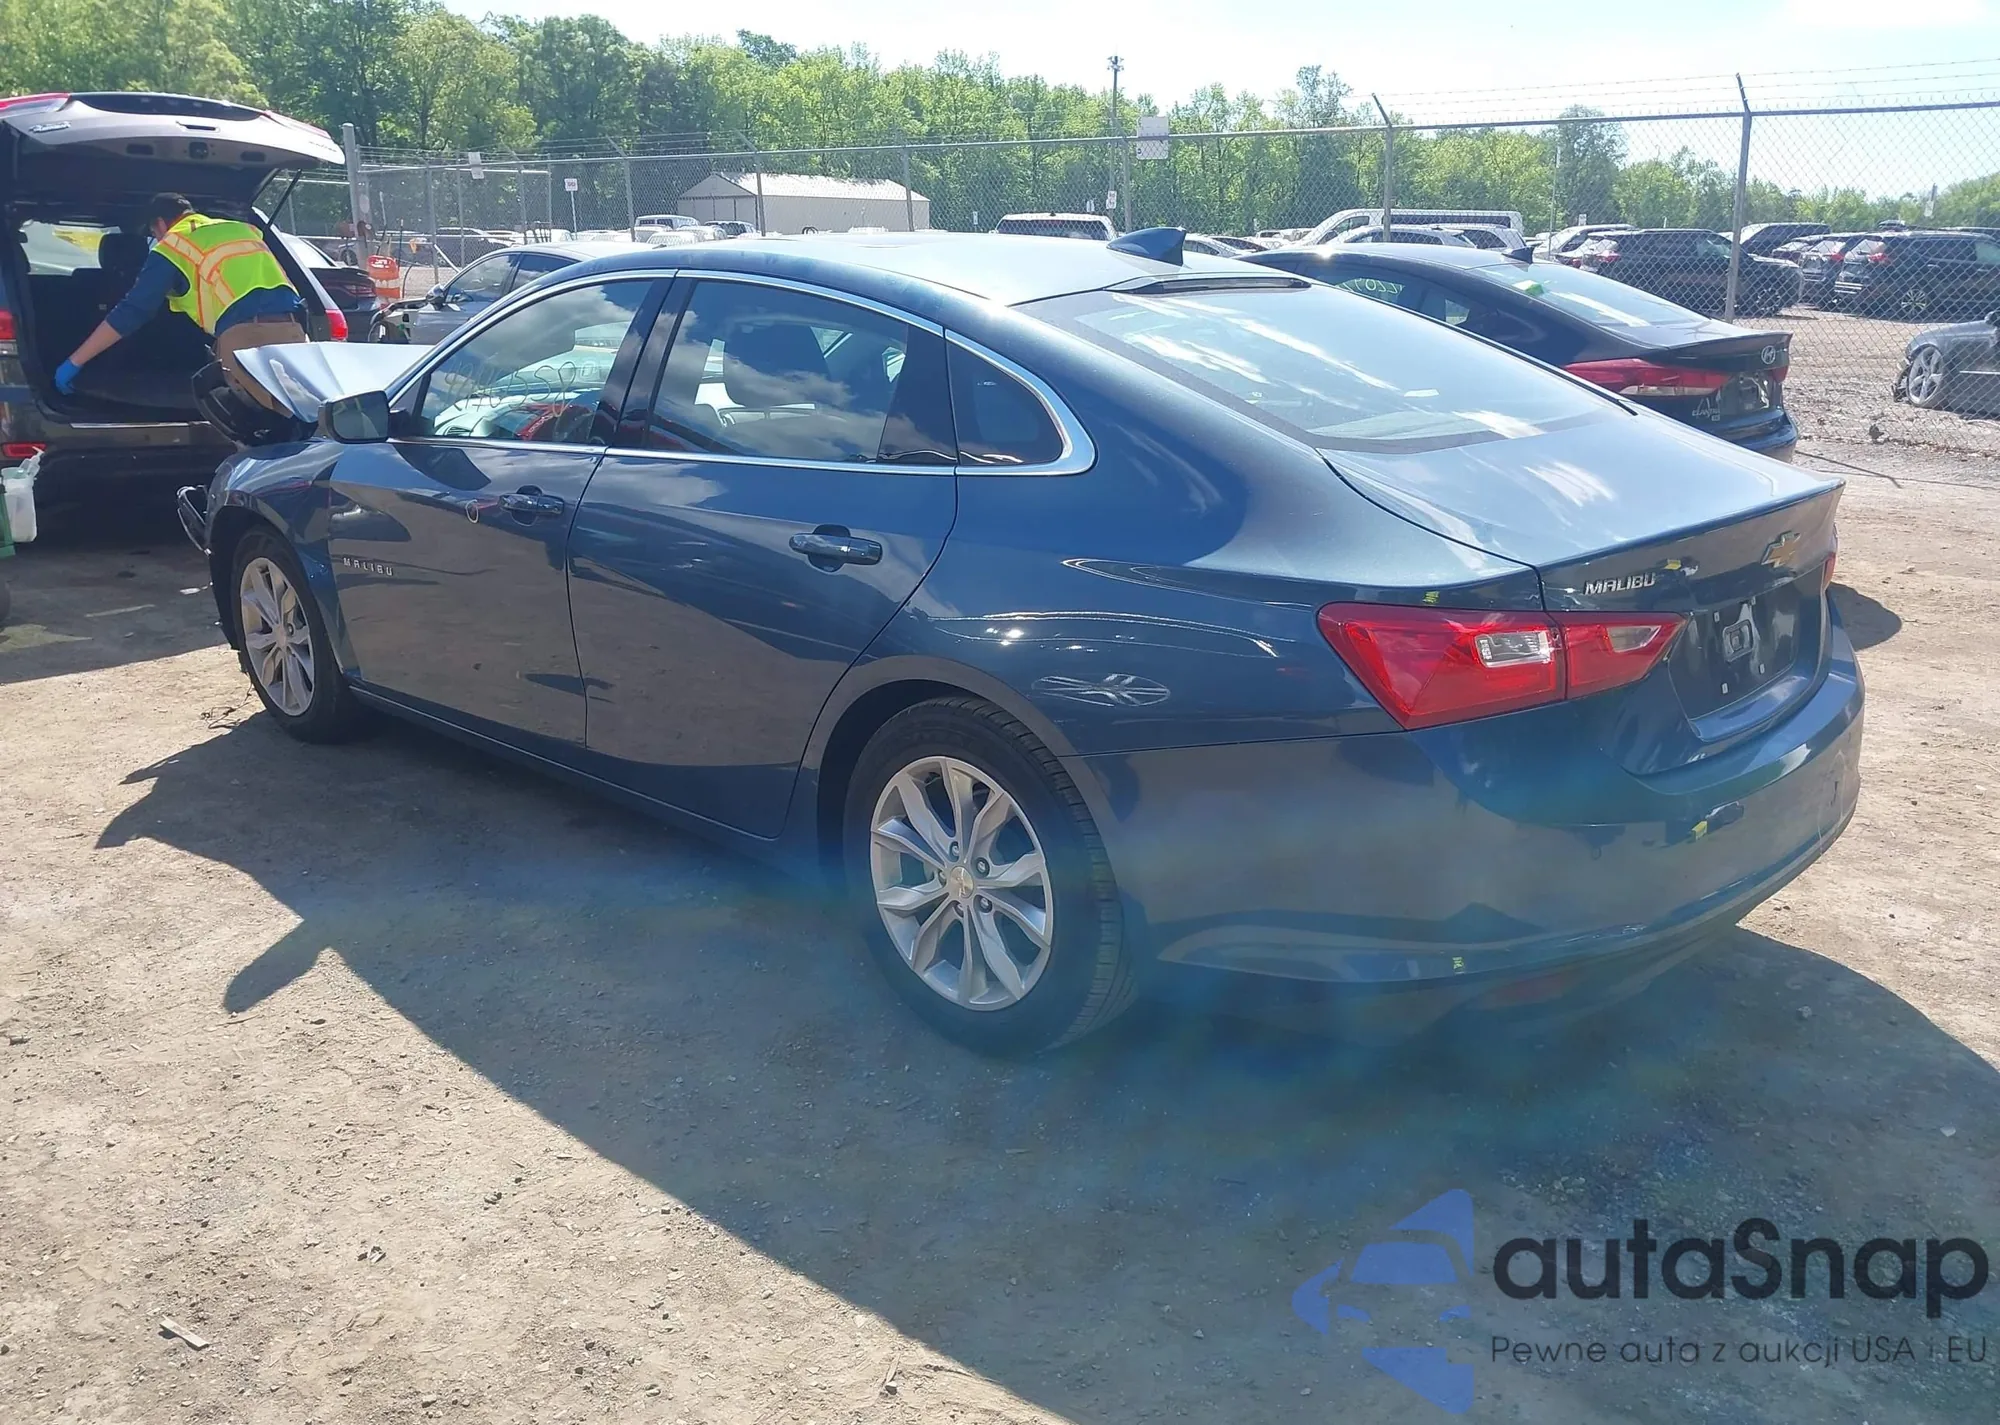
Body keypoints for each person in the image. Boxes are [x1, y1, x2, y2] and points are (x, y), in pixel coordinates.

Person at [54, 193, 307, 414]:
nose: (157, 238)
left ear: (160, 223)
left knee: (255, 431)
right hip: (294, 332)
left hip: (247, 339)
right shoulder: (242, 230)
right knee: (292, 422)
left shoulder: (174, 245)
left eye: (154, 234)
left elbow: (133, 311)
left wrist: (75, 362)